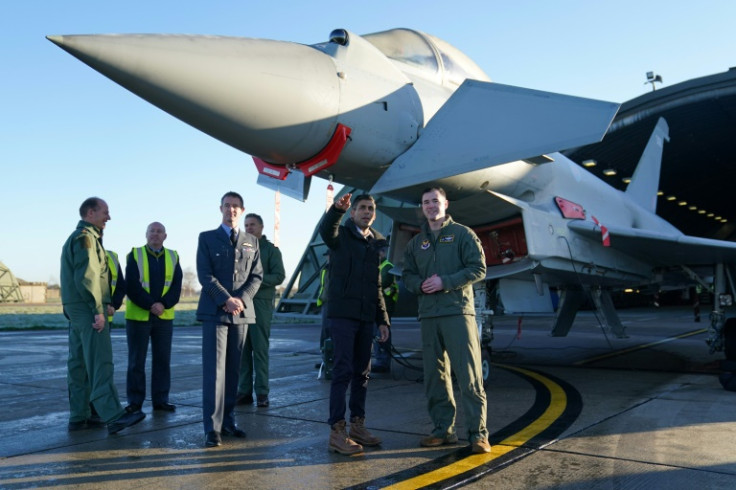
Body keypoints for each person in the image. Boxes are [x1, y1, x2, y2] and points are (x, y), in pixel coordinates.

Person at [401, 187, 491, 454]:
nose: (431, 206)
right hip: (429, 315)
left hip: (457, 313)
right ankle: (443, 430)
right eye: (426, 202)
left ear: (445, 204)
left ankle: (478, 434)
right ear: (423, 207)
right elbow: (407, 276)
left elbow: (479, 268)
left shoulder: (462, 234)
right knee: (434, 377)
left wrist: (445, 282)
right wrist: (420, 285)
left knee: (469, 376)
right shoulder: (416, 243)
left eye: (435, 201)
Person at [61, 197, 145, 434]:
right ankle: (113, 415)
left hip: (77, 309)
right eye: (105, 212)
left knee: (78, 364)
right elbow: (87, 276)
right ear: (90, 213)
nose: (108, 217)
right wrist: (98, 309)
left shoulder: (78, 237)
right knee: (100, 362)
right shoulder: (86, 238)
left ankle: (79, 415)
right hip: (88, 308)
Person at [319, 193, 390, 455]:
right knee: (343, 371)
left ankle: (357, 425)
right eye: (362, 208)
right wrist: (336, 210)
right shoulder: (341, 236)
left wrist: (382, 320)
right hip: (342, 315)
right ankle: (337, 432)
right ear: (353, 213)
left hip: (365, 316)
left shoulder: (375, 243)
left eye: (371, 208)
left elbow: (377, 285)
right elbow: (326, 229)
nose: (367, 212)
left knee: (363, 373)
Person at [197, 191, 263, 448]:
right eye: (227, 206)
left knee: (234, 372)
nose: (231, 210)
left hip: (241, 314)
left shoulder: (251, 241)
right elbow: (205, 274)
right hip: (216, 311)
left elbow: (256, 277)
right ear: (220, 208)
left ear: (242, 210)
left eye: (236, 206)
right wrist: (226, 299)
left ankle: (228, 422)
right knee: (215, 372)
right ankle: (212, 429)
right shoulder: (207, 238)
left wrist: (241, 299)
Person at [124, 222, 183, 414]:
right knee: (136, 362)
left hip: (164, 318)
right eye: (152, 231)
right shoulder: (135, 254)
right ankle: (135, 402)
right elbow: (131, 286)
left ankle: (161, 400)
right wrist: (151, 305)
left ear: (165, 236)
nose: (155, 235)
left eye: (159, 232)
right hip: (138, 318)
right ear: (146, 234)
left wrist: (163, 305)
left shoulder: (173, 257)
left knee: (162, 361)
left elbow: (176, 287)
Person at [237, 213, 286, 407]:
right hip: (241, 304)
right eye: (246, 225)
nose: (249, 228)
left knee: (260, 350)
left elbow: (279, 275)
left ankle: (262, 393)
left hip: (261, 304)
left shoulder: (271, 251)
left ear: (261, 227)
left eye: (253, 225)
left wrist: (256, 282)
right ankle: (244, 391)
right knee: (242, 351)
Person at [372, 240, 397, 373]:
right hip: (376, 306)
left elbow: (379, 284)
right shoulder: (376, 266)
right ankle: (380, 359)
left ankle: (383, 362)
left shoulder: (387, 267)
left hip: (385, 307)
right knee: (376, 334)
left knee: (381, 334)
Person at [106, 249, 126, 324]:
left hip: (106, 317)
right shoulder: (78, 254)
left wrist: (113, 305)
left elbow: (120, 286)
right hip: (81, 317)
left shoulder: (112, 256)